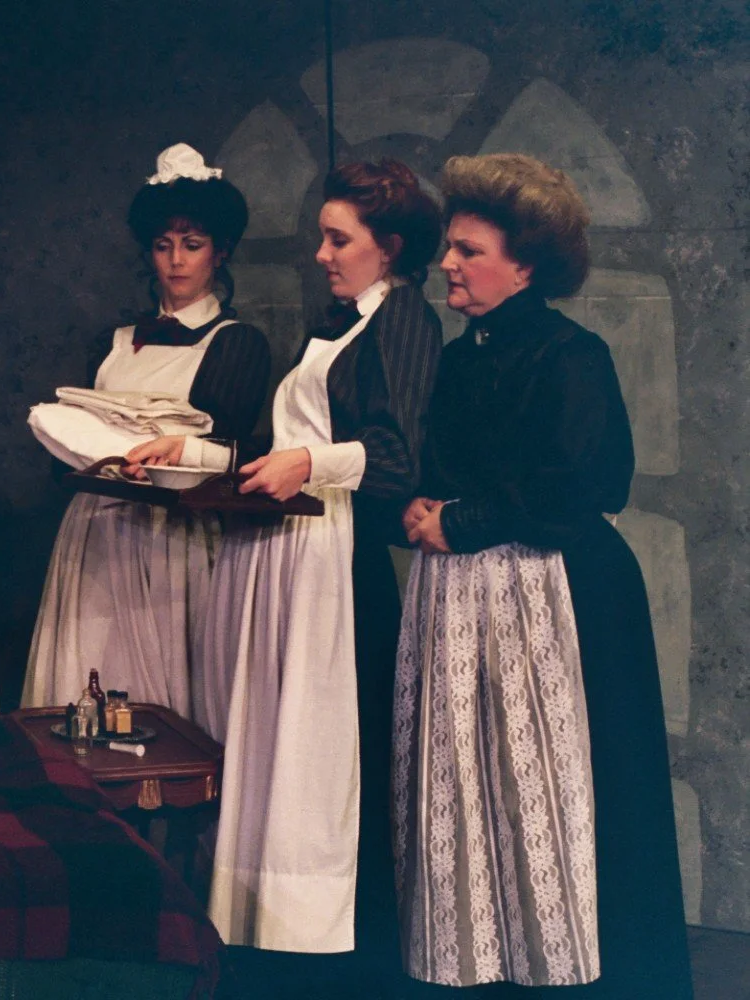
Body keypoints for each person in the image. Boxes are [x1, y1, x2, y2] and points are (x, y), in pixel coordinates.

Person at [394, 153, 692, 997]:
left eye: (468, 250)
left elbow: (588, 484)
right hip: (463, 600)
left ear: (524, 264)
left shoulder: (571, 354)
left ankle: (581, 971)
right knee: (474, 788)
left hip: (558, 597)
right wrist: (424, 508)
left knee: (566, 790)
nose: (448, 263)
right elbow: (439, 465)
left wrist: (463, 521)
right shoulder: (461, 356)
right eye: (449, 248)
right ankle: (490, 962)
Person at [145, 159, 442, 990]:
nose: (321, 252)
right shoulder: (336, 324)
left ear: (388, 248)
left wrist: (310, 459)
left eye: (337, 238)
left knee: (326, 749)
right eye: (322, 235)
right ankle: (264, 927)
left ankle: (331, 942)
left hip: (333, 565)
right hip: (282, 555)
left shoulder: (406, 321)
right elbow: (279, 445)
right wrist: (196, 452)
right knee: (274, 736)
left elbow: (397, 455)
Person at [22, 142, 271, 727]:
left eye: (192, 245)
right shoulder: (111, 342)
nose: (176, 261)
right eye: (163, 246)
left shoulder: (235, 343)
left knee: (167, 694)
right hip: (99, 530)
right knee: (87, 675)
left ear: (220, 252)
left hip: (173, 533)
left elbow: (227, 451)